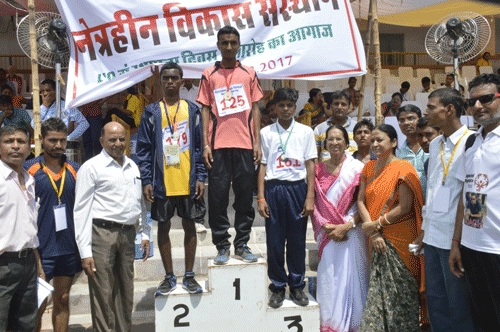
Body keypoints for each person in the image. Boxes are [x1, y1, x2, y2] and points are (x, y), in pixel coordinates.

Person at [137, 62, 207, 295]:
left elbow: (199, 146)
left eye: (174, 78)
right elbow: (145, 149)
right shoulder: (151, 111)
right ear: (160, 81)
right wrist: (147, 179)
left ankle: (189, 275)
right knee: (163, 227)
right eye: (165, 78)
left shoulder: (193, 110)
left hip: (187, 180)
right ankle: (168, 276)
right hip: (162, 181)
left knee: (190, 226)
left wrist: (200, 176)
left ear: (181, 80)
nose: (169, 82)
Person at [73, 122, 151, 332]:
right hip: (102, 234)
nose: (118, 144)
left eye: (121, 139)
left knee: (126, 290)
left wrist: (144, 232)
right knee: (103, 293)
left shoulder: (132, 166)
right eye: (112, 139)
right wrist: (85, 251)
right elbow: (81, 210)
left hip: (127, 234)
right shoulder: (91, 167)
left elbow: (139, 203)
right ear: (101, 141)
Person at [411, 88, 476, 332]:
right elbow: (433, 193)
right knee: (436, 302)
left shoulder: (472, 141)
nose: (425, 112)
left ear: (449, 110)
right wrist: (424, 231)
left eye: (431, 107)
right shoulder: (436, 143)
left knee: (459, 305)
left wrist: (458, 241)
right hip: (434, 236)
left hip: (457, 238)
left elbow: (469, 197)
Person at [197, 25, 263, 264]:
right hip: (218, 147)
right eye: (224, 43)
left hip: (245, 145)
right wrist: (206, 144)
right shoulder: (209, 74)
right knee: (217, 198)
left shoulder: (249, 72)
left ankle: (242, 244)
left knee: (245, 197)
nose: (228, 47)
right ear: (218, 45)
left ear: (238, 45)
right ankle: (222, 245)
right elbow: (205, 108)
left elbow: (255, 107)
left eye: (233, 42)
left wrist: (257, 142)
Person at [357, 124, 424, 331]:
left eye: (380, 140)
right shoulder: (369, 167)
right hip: (376, 240)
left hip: (401, 243)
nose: (375, 144)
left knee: (401, 300)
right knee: (376, 300)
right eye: (373, 140)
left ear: (394, 142)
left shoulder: (403, 167)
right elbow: (360, 201)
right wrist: (374, 232)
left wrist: (376, 225)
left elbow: (405, 207)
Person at [449, 73, 500, 331]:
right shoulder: (471, 141)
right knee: (482, 320)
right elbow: (465, 196)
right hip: (471, 247)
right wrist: (457, 242)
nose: (478, 106)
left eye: (486, 99)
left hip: (497, 249)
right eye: (472, 102)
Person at [257, 88, 316, 308]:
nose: (285, 109)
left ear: (294, 107)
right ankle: (278, 286)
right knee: (274, 241)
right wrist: (261, 197)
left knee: (297, 240)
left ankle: (298, 285)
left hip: (297, 189)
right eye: (281, 105)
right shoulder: (266, 133)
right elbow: (262, 166)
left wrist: (310, 196)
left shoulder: (305, 132)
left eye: (289, 105)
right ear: (274, 107)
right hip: (274, 189)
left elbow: (310, 165)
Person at [24, 118, 82, 332]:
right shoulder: (28, 170)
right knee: (37, 305)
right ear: (41, 139)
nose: (58, 145)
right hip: (40, 250)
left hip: (67, 247)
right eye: (53, 140)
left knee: (63, 299)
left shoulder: (75, 169)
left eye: (62, 140)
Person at [312, 124, 369, 332]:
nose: (335, 143)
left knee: (355, 278)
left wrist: (347, 225)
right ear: (325, 143)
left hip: (352, 232)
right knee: (329, 278)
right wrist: (326, 225)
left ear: (347, 143)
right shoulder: (317, 170)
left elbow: (364, 202)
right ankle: (331, 325)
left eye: (339, 139)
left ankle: (356, 325)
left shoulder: (357, 169)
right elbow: (314, 204)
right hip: (327, 234)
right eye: (331, 139)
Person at [0, 125, 44, 332]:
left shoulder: (30, 179)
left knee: (25, 324)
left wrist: (38, 265)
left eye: (21, 142)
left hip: (27, 263)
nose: (15, 146)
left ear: (29, 148)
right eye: (9, 141)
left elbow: (29, 229)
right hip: (3, 265)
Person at [314, 90, 357, 162]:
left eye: (343, 104)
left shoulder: (356, 128)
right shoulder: (319, 129)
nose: (339, 107)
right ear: (330, 106)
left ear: (348, 107)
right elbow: (315, 156)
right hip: (326, 172)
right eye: (336, 104)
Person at [396, 104, 428, 195]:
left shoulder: (431, 146)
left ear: (420, 120)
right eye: (402, 120)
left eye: (411, 118)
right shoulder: (399, 155)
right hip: (411, 206)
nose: (406, 123)